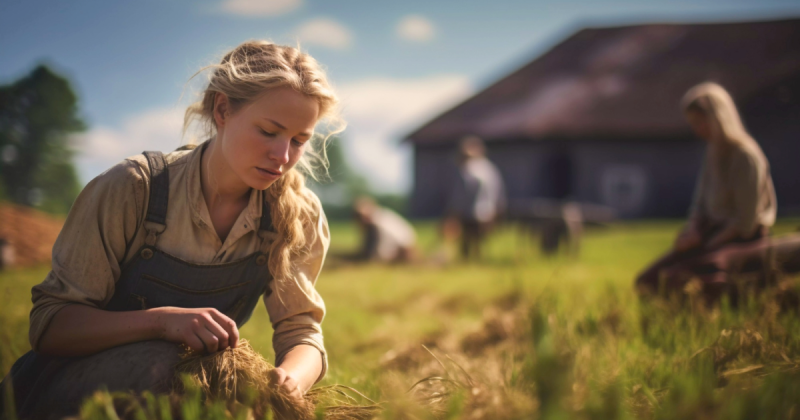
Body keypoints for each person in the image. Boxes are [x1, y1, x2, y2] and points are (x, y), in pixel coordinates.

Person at [0, 41, 343, 418]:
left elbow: (302, 333)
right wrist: (161, 323)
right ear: (223, 109)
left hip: (185, 390)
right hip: (66, 393)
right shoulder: (134, 188)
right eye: (268, 131)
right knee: (166, 366)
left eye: (298, 141)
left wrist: (288, 382)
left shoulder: (297, 214)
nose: (282, 157)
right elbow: (50, 328)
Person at [635, 82, 777, 298]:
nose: (697, 129)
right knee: (648, 280)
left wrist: (707, 244)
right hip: (708, 234)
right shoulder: (713, 153)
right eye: (694, 123)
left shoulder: (746, 157)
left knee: (681, 279)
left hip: (740, 240)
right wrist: (692, 230)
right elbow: (699, 203)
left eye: (701, 122)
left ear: (719, 118)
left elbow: (745, 223)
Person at [445, 136, 506, 261]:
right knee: (479, 242)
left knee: (467, 242)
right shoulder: (490, 168)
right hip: (487, 212)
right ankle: (477, 262)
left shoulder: (468, 169)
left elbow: (462, 194)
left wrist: (454, 212)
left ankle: (467, 263)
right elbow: (499, 192)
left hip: (470, 214)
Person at [352, 197, 417, 263]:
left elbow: (377, 254)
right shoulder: (381, 215)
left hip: (401, 250)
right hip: (403, 247)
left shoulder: (378, 224)